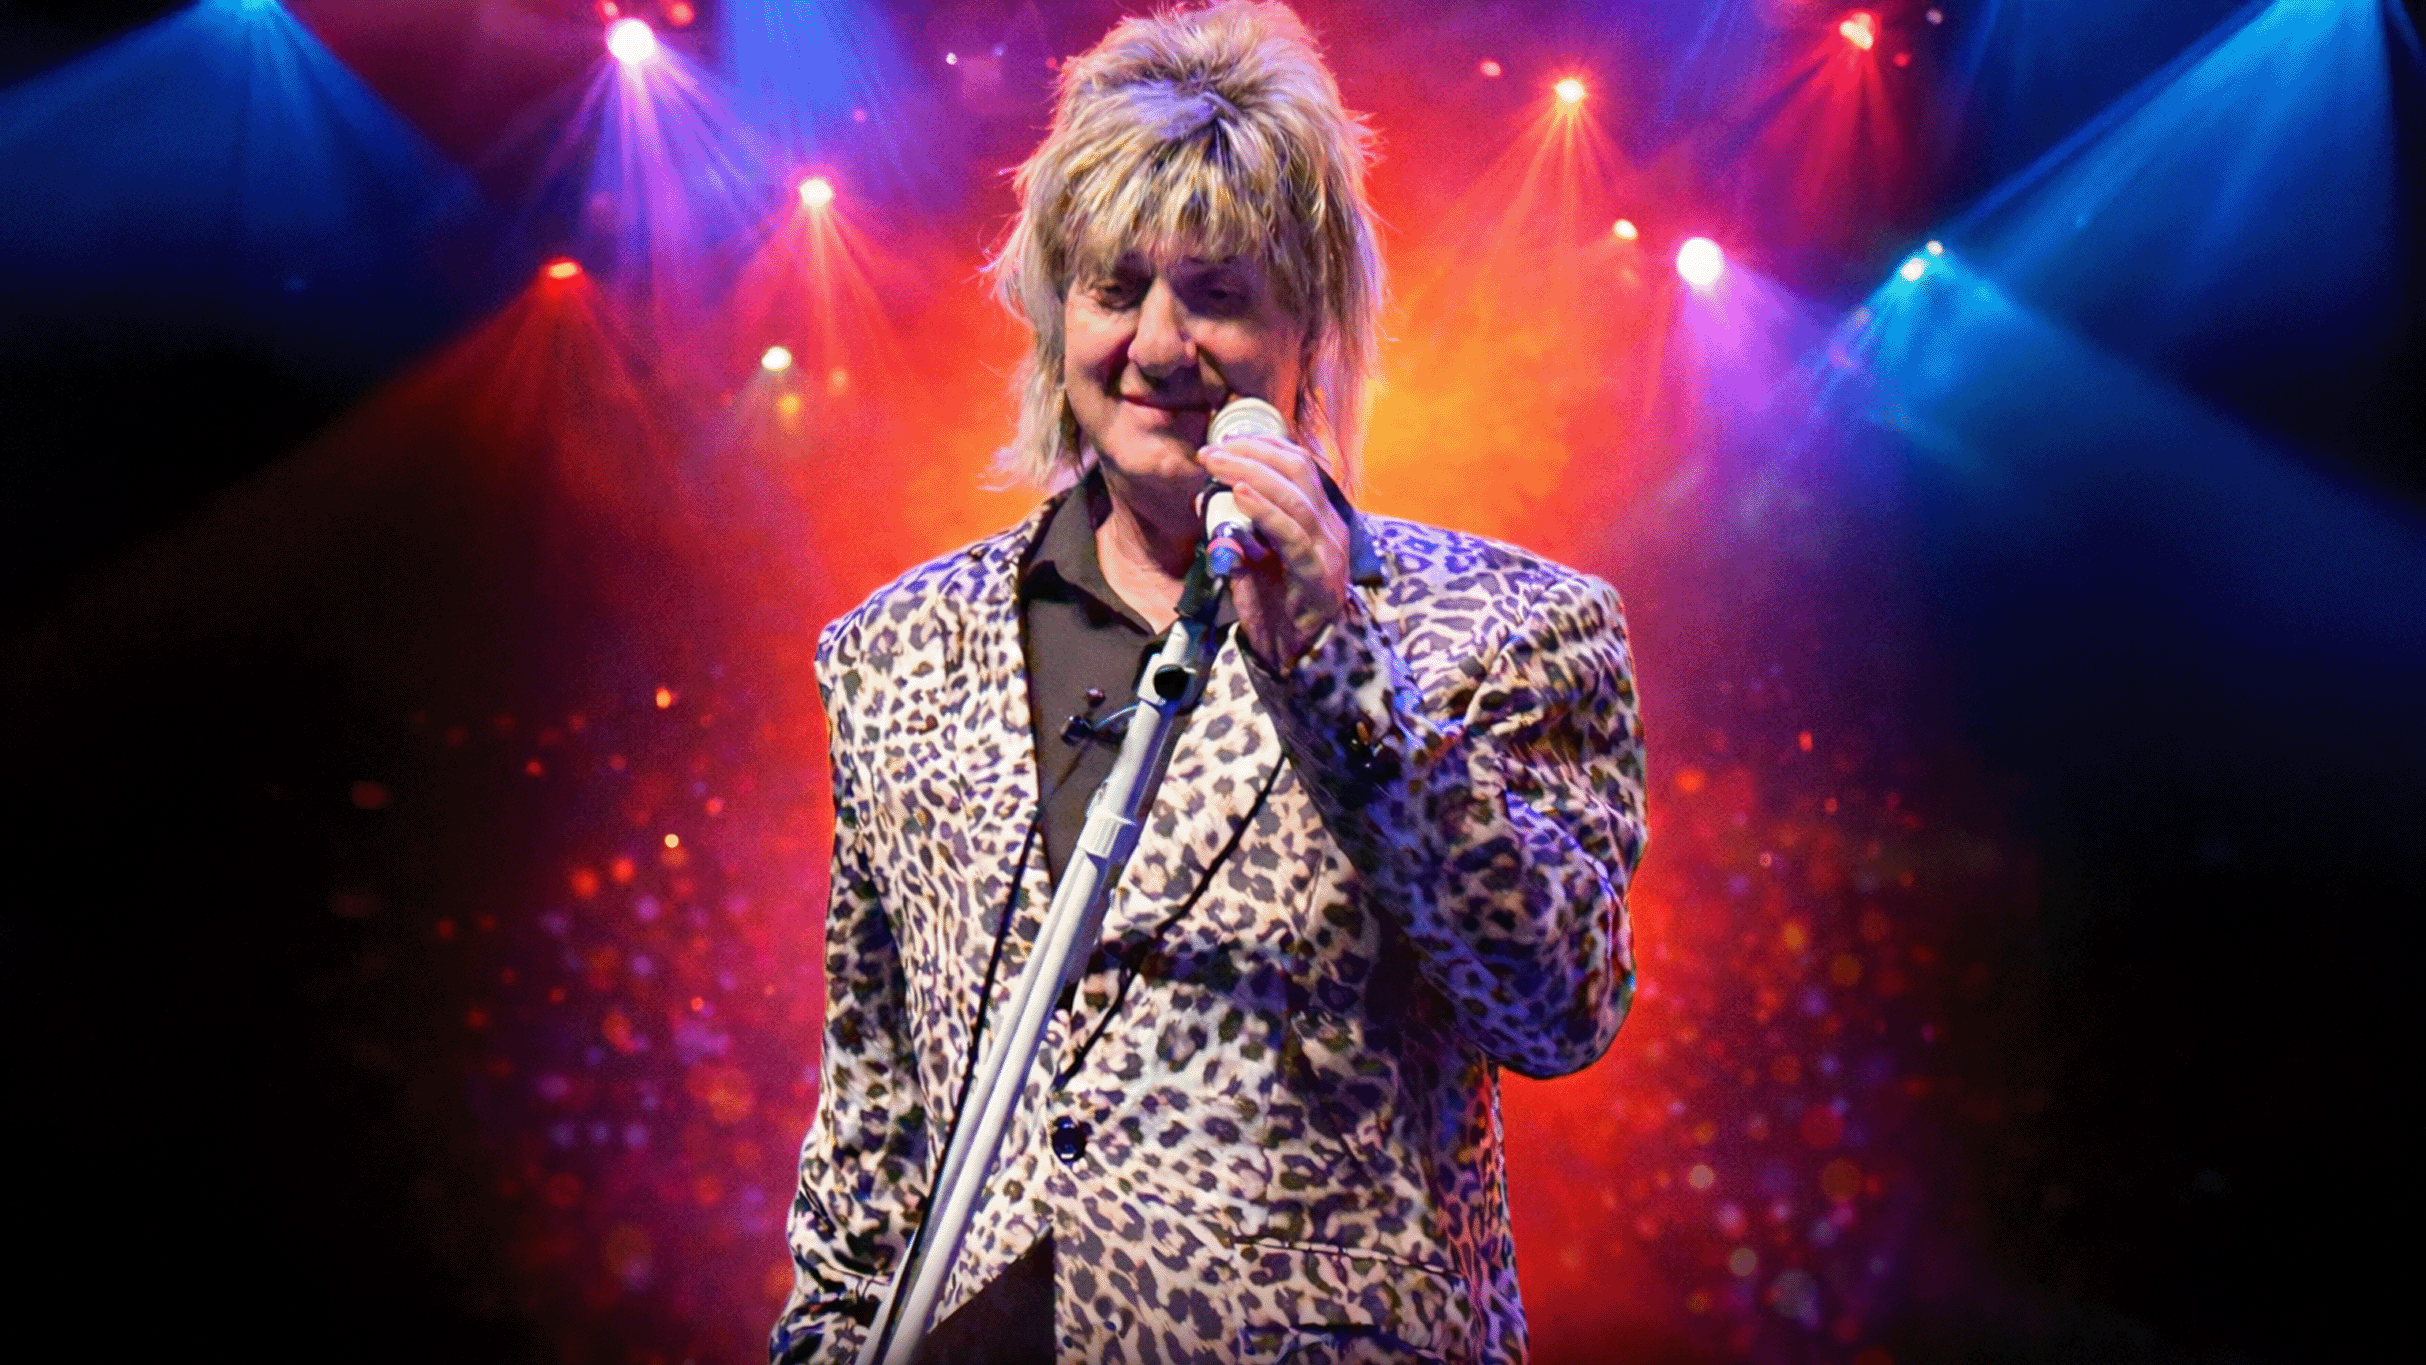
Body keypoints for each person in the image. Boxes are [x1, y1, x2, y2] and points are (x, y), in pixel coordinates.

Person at [773, 4, 1646, 1361]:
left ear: (1310, 326)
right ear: (1054, 312)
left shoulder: (1503, 627)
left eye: (1218, 293)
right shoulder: (895, 652)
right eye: (1115, 289)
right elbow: (871, 1124)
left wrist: (1334, 669)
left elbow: (1556, 1004)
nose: (1159, 345)